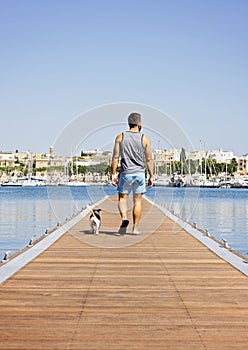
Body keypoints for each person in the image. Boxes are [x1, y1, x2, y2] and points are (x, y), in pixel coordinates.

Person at [111, 112, 154, 235]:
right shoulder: (144, 138)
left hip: (125, 173)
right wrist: (151, 176)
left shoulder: (120, 137)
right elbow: (149, 159)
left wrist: (113, 174)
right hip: (140, 173)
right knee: (138, 201)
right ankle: (135, 229)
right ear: (139, 123)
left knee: (122, 198)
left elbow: (115, 157)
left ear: (128, 123)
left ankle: (124, 218)